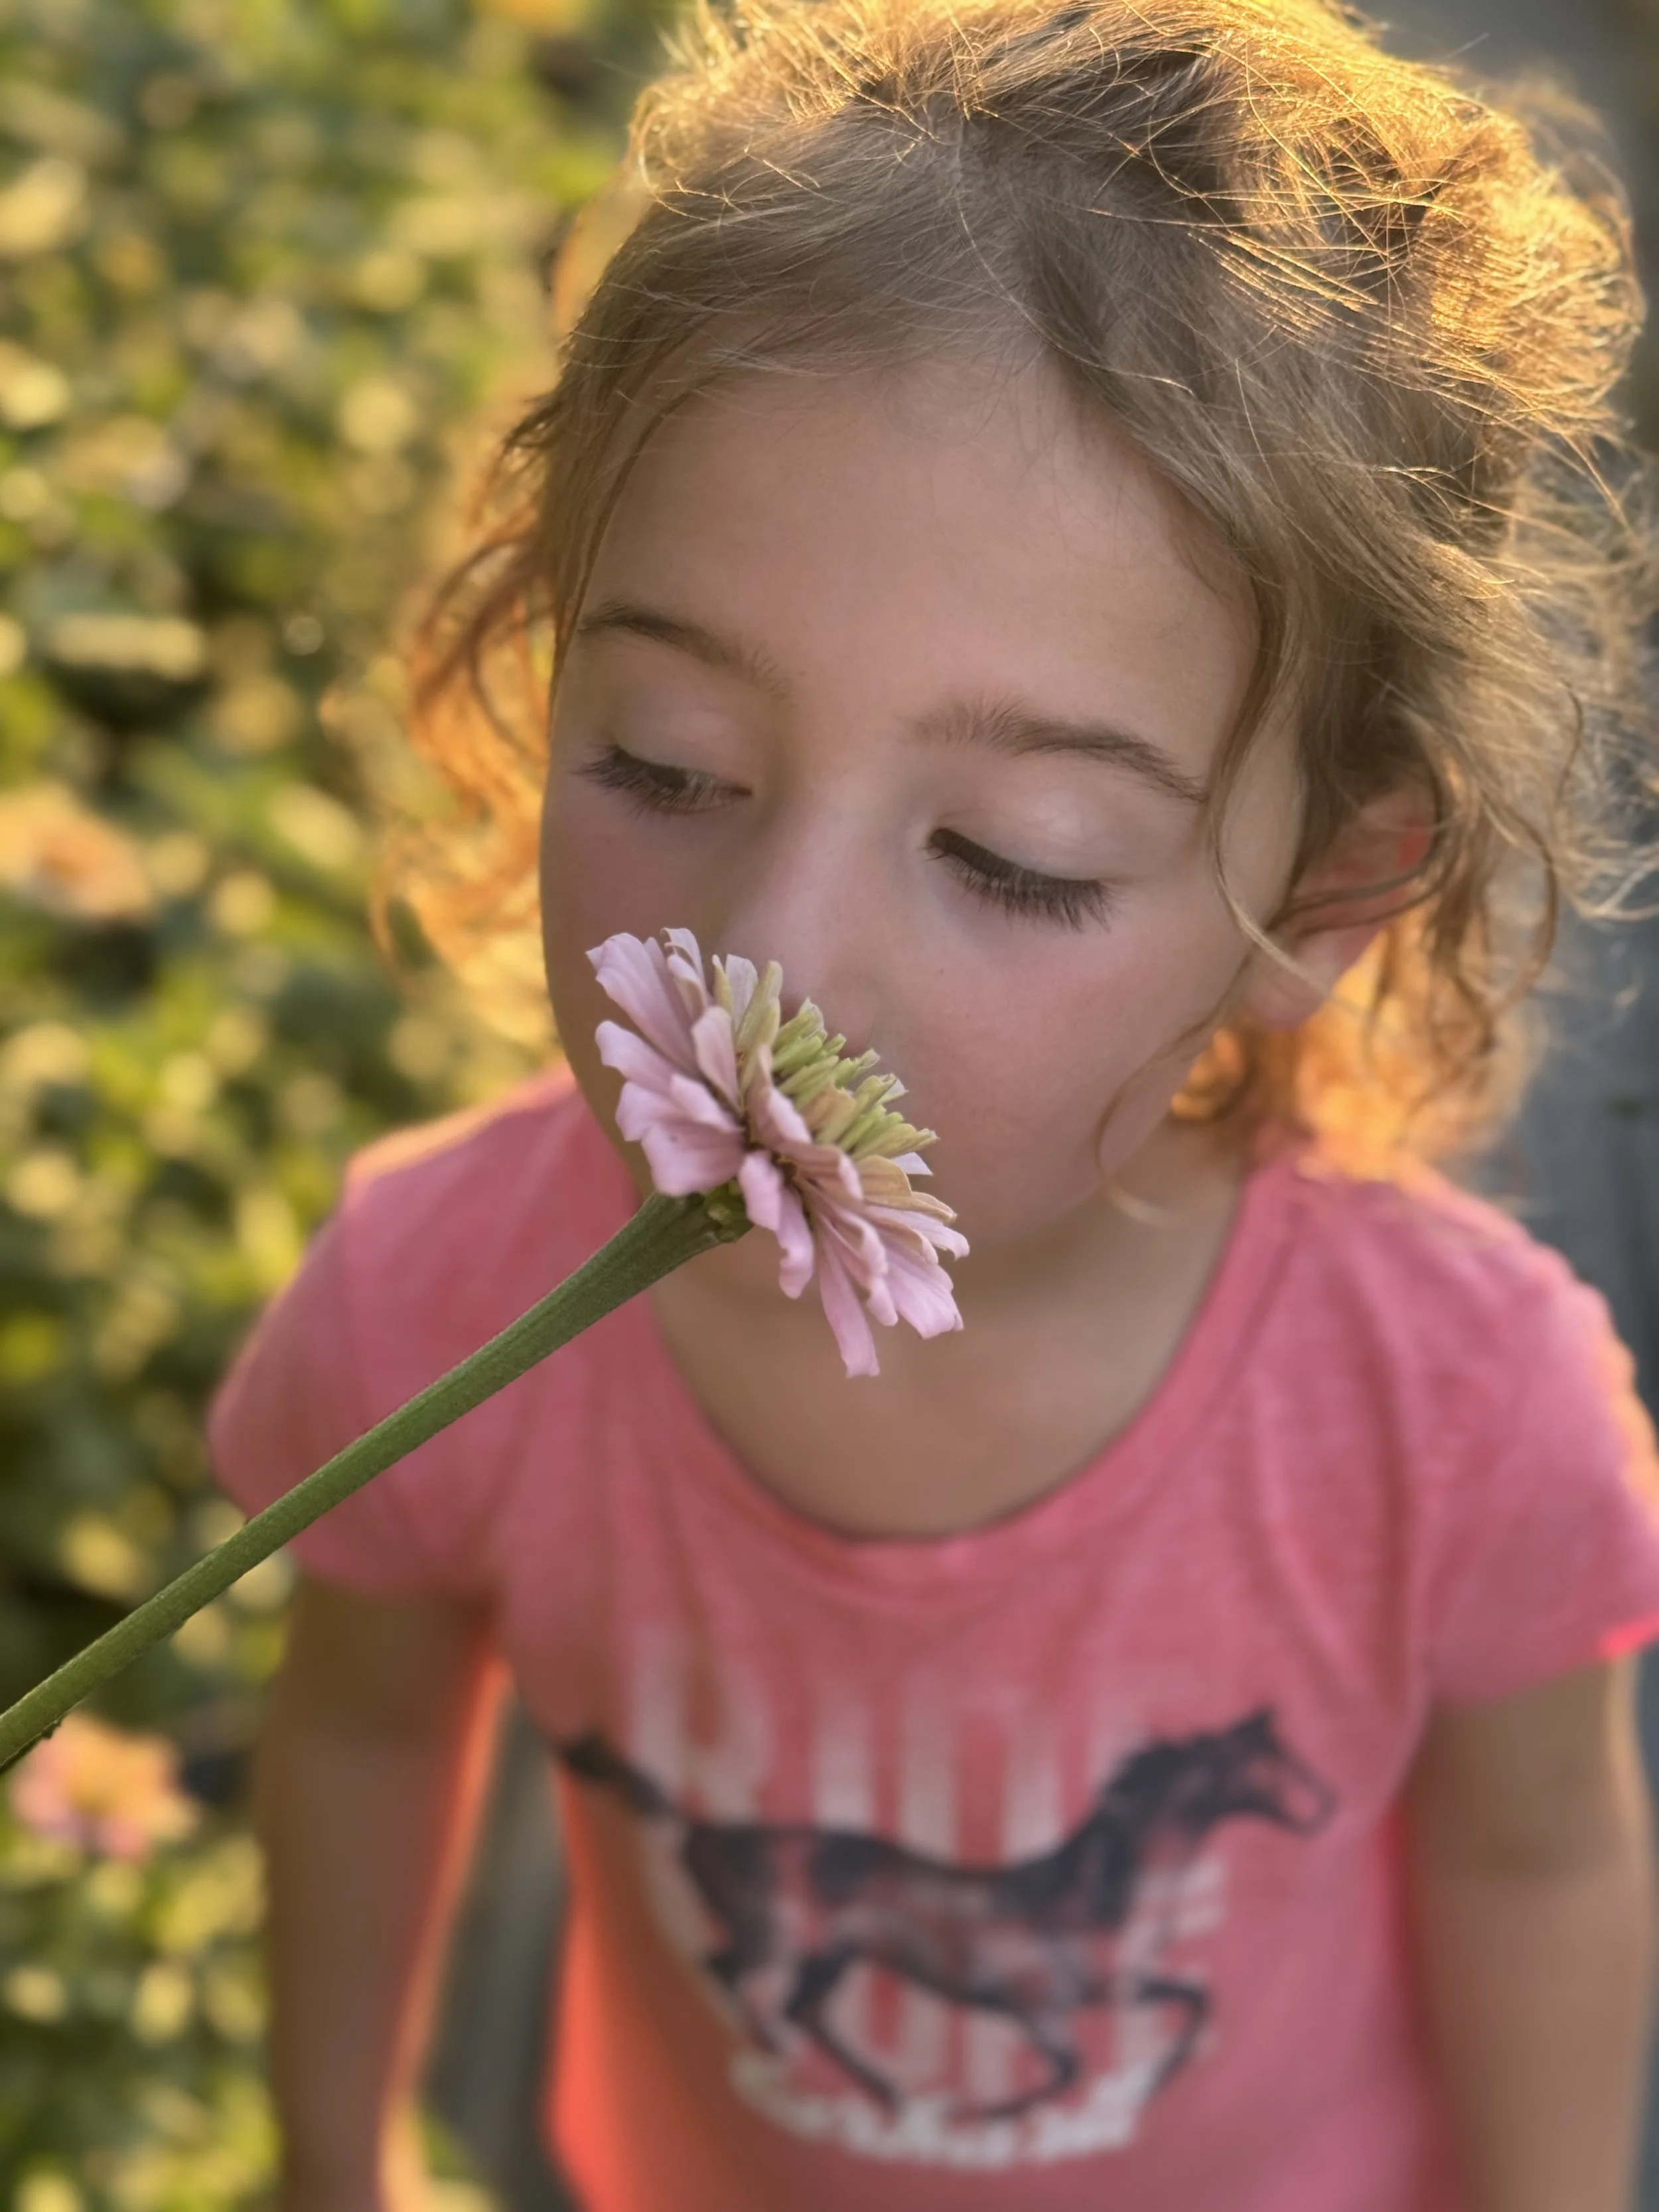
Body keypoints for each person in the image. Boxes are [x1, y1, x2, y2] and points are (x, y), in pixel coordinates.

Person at [209, 3, 1659, 2206]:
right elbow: (365, 1717)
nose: (776, 961)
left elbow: (1540, 1862)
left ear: (1326, 886)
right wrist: (337, 2160)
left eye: (1012, 858)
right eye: (666, 764)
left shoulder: (1454, 1415)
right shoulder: (440, 1308)